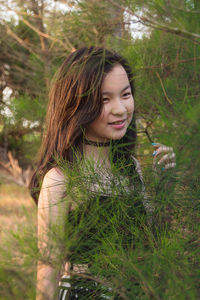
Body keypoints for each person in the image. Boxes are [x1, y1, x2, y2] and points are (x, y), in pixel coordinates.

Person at [29, 47, 176, 300]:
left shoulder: (131, 168)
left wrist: (165, 188)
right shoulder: (60, 179)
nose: (120, 110)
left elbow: (153, 244)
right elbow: (48, 268)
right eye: (104, 99)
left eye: (126, 95)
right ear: (77, 105)